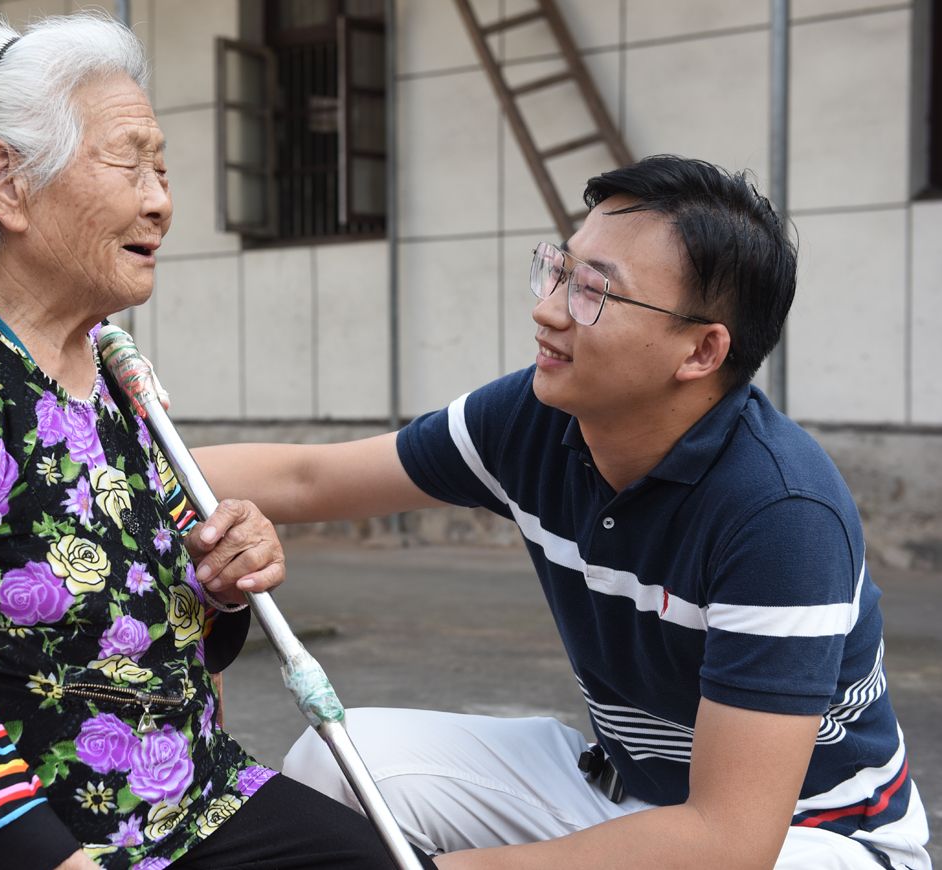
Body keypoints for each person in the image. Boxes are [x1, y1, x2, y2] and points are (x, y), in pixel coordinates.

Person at [0, 13, 436, 870]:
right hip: (12, 839)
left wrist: (223, 578)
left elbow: (163, 620)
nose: (160, 200)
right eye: (129, 164)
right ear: (8, 184)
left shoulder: (109, 371)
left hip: (179, 805)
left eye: (161, 168)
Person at [190, 156, 932, 869]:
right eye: (560, 271)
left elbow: (725, 843)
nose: (547, 310)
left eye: (593, 292)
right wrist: (122, 461)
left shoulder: (781, 515)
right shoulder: (535, 418)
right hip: (622, 788)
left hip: (810, 837)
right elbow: (308, 477)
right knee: (337, 763)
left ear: (701, 351)